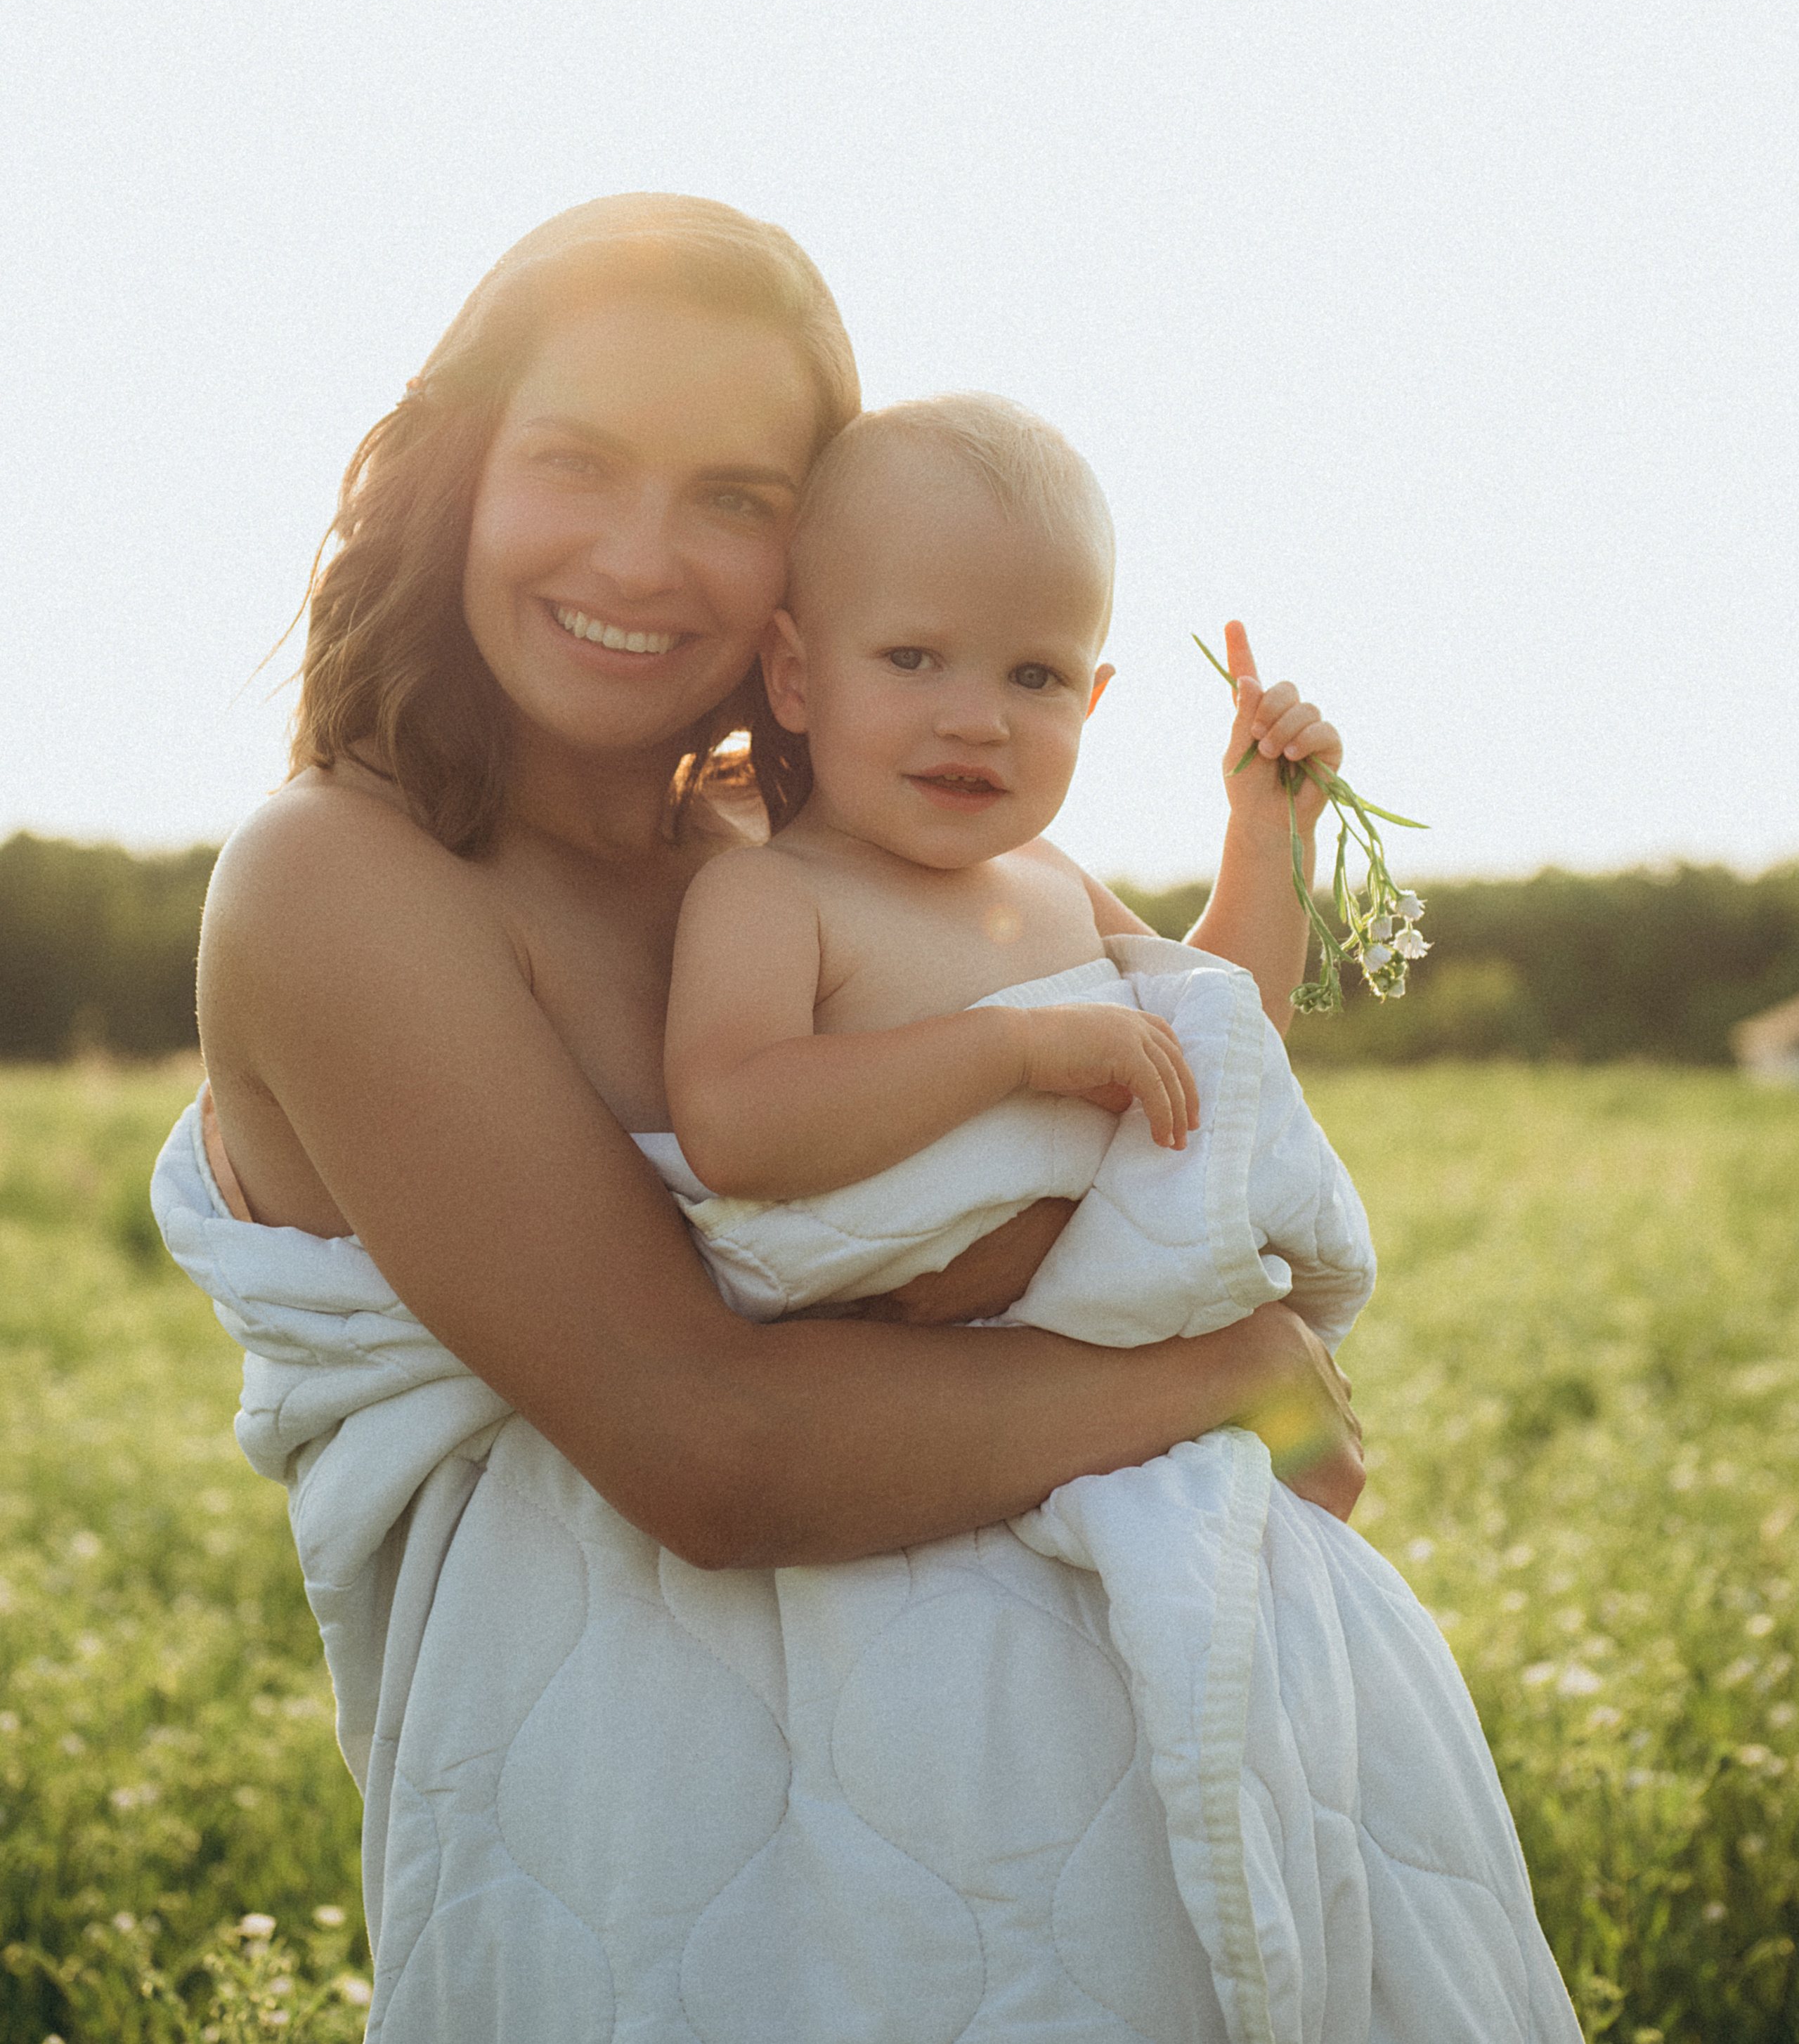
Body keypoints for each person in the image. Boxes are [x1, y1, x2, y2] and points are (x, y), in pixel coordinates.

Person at [153, 192, 1374, 2044]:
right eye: (576, 459)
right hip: (646, 1853)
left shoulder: (815, 840)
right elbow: (703, 1447)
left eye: (734, 494)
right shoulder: (343, 875)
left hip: (1051, 1825)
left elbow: (1191, 1054)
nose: (644, 556)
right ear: (460, 470)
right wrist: (1233, 1376)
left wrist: (1262, 838)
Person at [656, 394, 1583, 2044]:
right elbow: (738, 1123)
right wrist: (1015, 1049)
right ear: (798, 675)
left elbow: (1209, 1041)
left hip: (1110, 1402)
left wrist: (1262, 831)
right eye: (913, 660)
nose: (973, 720)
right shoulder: (772, 892)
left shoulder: (1052, 884)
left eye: (1029, 677)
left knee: (1302, 1740)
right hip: (934, 1421)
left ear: (1091, 699)